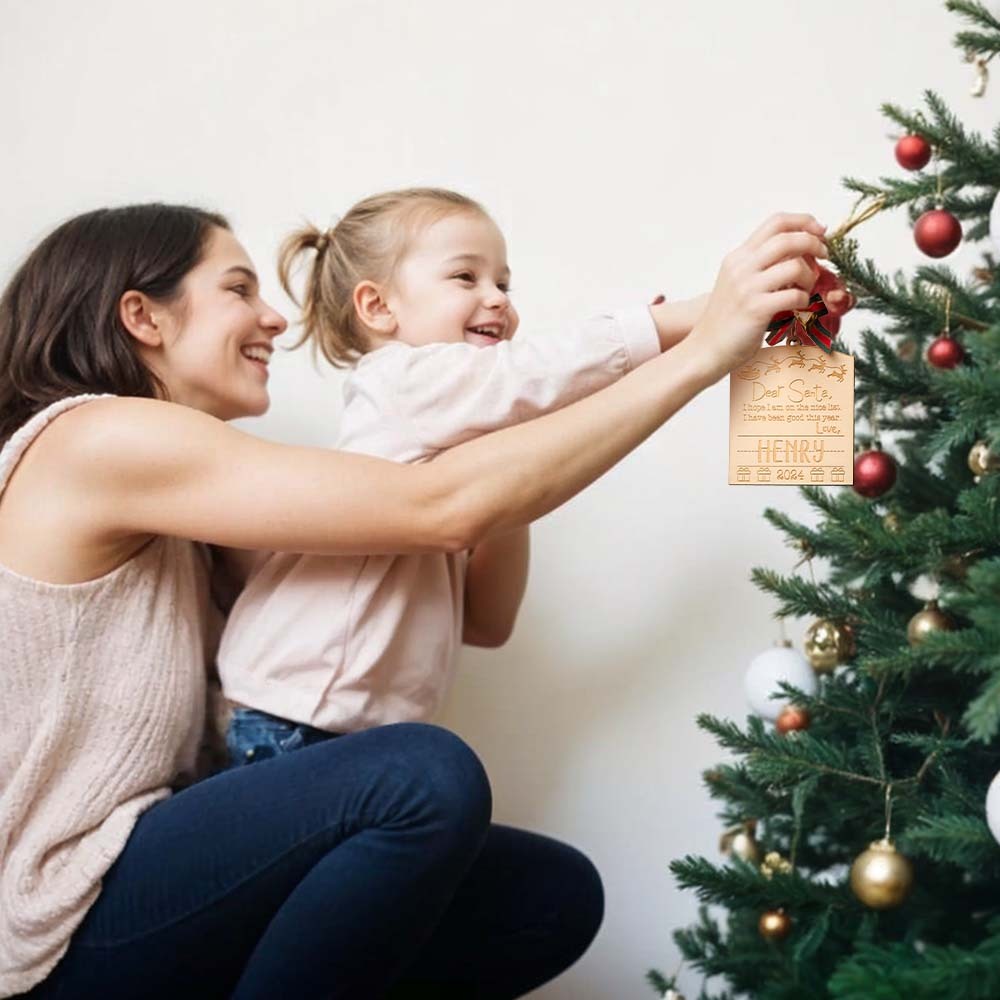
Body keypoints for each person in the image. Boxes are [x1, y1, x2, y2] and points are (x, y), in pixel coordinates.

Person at [0, 202, 827, 999]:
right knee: (421, 777)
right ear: (145, 317)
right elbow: (442, 509)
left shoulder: (190, 503)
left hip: (159, 869)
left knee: (548, 896)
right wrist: (700, 347)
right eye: (237, 289)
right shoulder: (96, 438)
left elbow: (485, 614)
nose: (275, 320)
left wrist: (508, 421)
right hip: (68, 916)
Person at [219, 187, 711, 761]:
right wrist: (682, 320)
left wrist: (627, 367)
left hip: (336, 724)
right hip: (294, 716)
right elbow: (531, 374)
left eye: (503, 284)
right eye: (465, 278)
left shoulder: (442, 418)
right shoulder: (402, 380)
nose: (496, 299)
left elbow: (489, 623)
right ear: (378, 307)